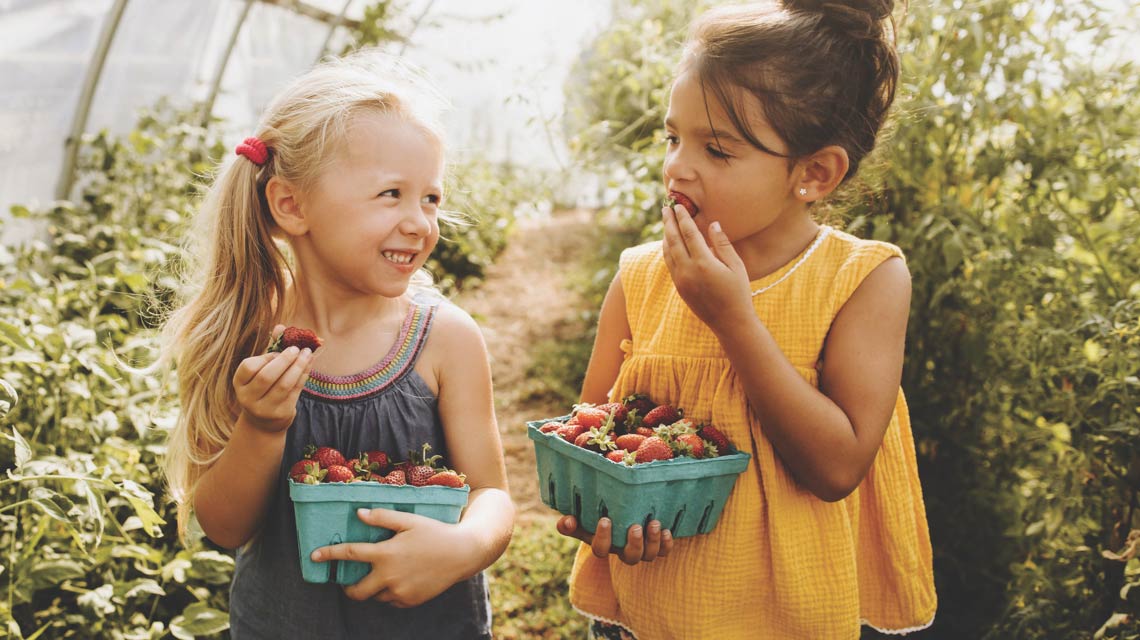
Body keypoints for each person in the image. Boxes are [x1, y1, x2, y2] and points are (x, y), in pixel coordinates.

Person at [555, 1, 936, 638]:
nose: (678, 165)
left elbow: (837, 468)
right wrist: (595, 511)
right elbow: (592, 441)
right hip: (652, 610)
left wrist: (734, 321)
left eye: (718, 150)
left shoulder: (863, 281)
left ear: (814, 173)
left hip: (794, 616)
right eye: (673, 137)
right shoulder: (642, 277)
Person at [160, 50, 514, 639]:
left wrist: (463, 547)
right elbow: (223, 526)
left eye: (430, 197)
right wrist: (263, 427)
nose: (420, 223)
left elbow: (492, 493)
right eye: (390, 194)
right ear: (292, 205)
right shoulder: (240, 339)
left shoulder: (445, 340)